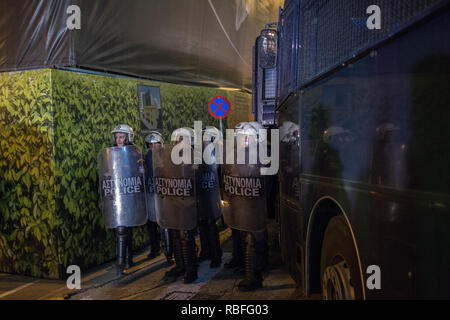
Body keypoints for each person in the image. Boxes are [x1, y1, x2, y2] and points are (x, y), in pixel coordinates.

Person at [221, 121, 269, 291]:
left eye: (246, 137)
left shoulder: (262, 155)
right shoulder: (237, 155)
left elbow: (264, 182)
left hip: (254, 204)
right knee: (246, 238)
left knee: (255, 240)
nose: (242, 140)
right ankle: (250, 270)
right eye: (241, 137)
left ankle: (255, 277)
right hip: (242, 203)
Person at [157, 127, 198, 283]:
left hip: (187, 201)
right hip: (172, 200)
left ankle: (191, 270)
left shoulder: (194, 156)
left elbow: (196, 177)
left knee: (186, 235)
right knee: (174, 233)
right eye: (177, 139)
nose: (179, 142)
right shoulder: (169, 157)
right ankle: (180, 265)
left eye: (183, 139)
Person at [111, 124, 136, 275]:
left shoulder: (133, 153)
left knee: (124, 228)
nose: (118, 140)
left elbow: (139, 173)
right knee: (122, 229)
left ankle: (122, 263)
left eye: (121, 137)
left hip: (129, 195)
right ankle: (126, 259)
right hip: (117, 196)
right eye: (117, 137)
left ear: (128, 138)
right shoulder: (111, 152)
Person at [196, 126, 223, 268]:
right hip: (202, 193)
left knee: (212, 225)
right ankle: (205, 251)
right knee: (202, 224)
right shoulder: (197, 153)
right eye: (203, 137)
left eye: (207, 137)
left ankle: (216, 255)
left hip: (213, 193)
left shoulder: (218, 153)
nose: (204, 139)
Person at [144, 132, 164, 260]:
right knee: (152, 222)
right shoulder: (144, 158)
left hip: (164, 193)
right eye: (150, 144)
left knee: (166, 222)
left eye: (155, 144)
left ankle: (169, 248)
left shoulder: (166, 157)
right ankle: (155, 248)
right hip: (151, 192)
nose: (153, 147)